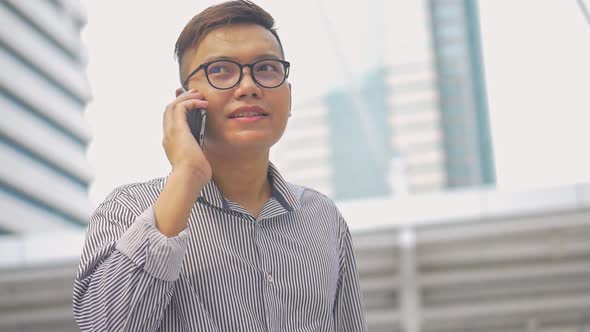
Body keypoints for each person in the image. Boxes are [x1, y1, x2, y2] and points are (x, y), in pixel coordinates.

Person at [73, 1, 367, 331]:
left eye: (267, 69)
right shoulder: (128, 209)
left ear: (288, 95)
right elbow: (102, 326)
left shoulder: (322, 217)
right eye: (220, 71)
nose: (248, 87)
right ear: (184, 101)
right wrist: (187, 175)